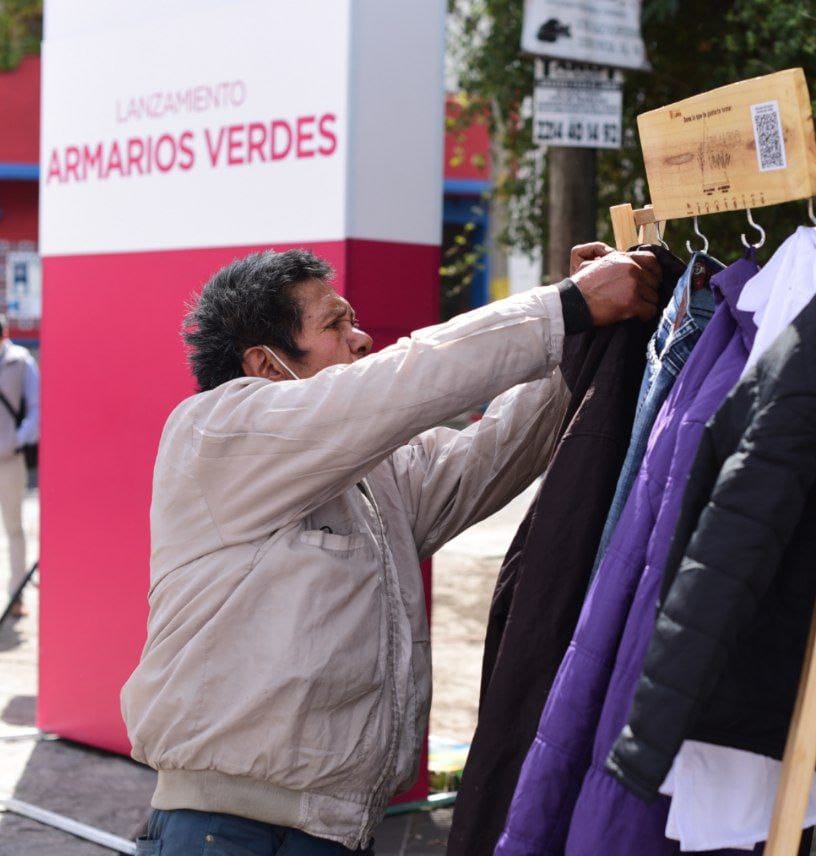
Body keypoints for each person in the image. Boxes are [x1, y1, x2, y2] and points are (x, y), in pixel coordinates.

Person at [121, 244, 659, 855]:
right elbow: (404, 380)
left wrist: (585, 346)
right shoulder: (214, 431)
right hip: (229, 833)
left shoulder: (373, 476)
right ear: (267, 366)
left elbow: (487, 455)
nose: (362, 339)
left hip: (337, 830)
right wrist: (566, 307)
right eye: (335, 324)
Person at [0, 314, 38, 620]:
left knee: (14, 529)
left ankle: (15, 595)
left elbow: (38, 407)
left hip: (8, 458)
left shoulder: (20, 360)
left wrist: (17, 440)